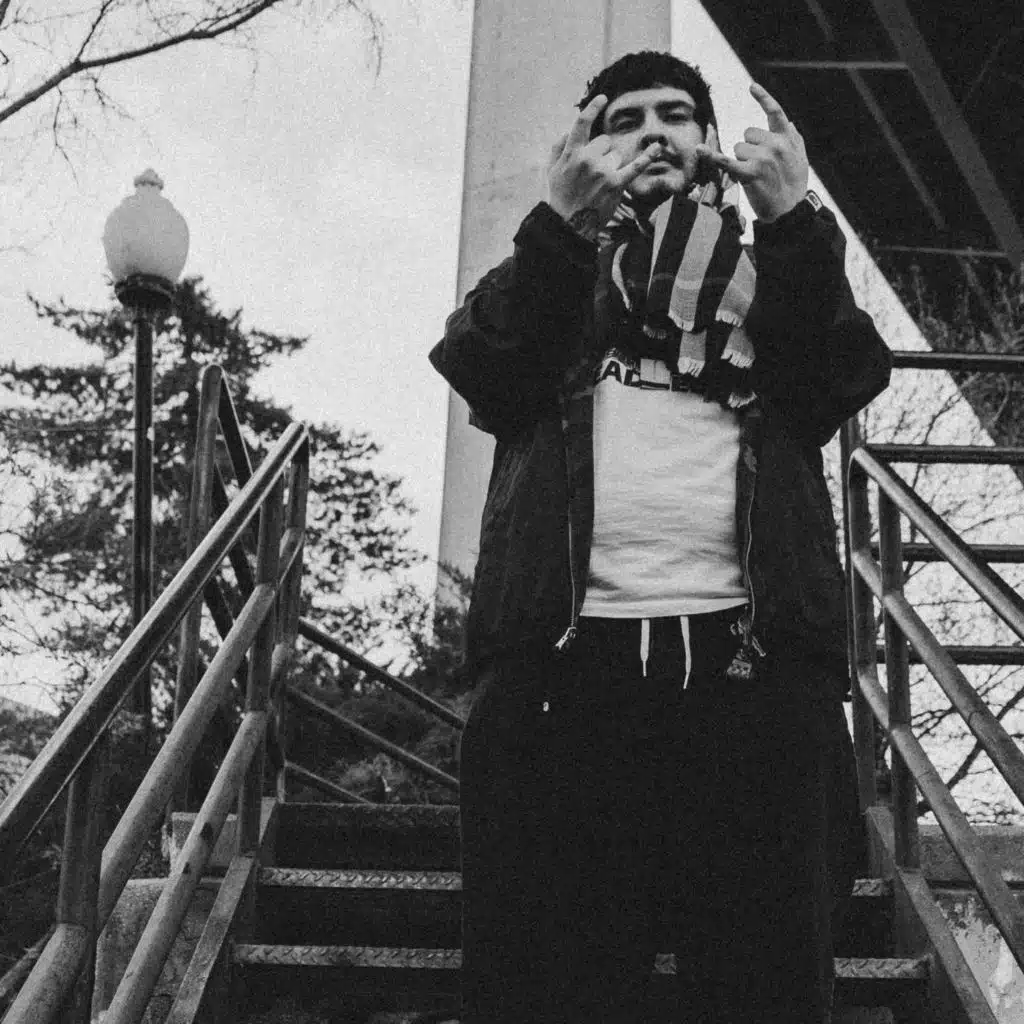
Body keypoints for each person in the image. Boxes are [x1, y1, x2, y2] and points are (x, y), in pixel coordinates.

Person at [429, 50, 892, 1024]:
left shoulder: (771, 276)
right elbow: (483, 365)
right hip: (564, 687)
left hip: (753, 679)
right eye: (623, 118)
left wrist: (794, 218)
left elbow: (839, 378)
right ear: (585, 150)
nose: (652, 131)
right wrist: (560, 225)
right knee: (545, 991)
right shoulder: (553, 277)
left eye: (676, 114)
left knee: (766, 988)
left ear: (711, 143)